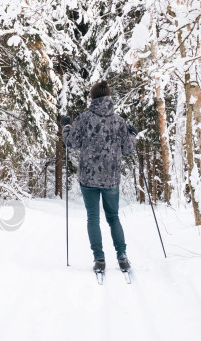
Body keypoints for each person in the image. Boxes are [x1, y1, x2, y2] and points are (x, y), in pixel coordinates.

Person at [61, 80, 137, 274]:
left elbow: (71, 143)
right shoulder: (119, 121)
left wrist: (66, 127)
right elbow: (128, 149)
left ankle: (99, 258)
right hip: (111, 177)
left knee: (93, 217)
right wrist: (132, 135)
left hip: (88, 178)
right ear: (108, 97)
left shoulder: (84, 119)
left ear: (93, 98)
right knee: (113, 217)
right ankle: (122, 256)